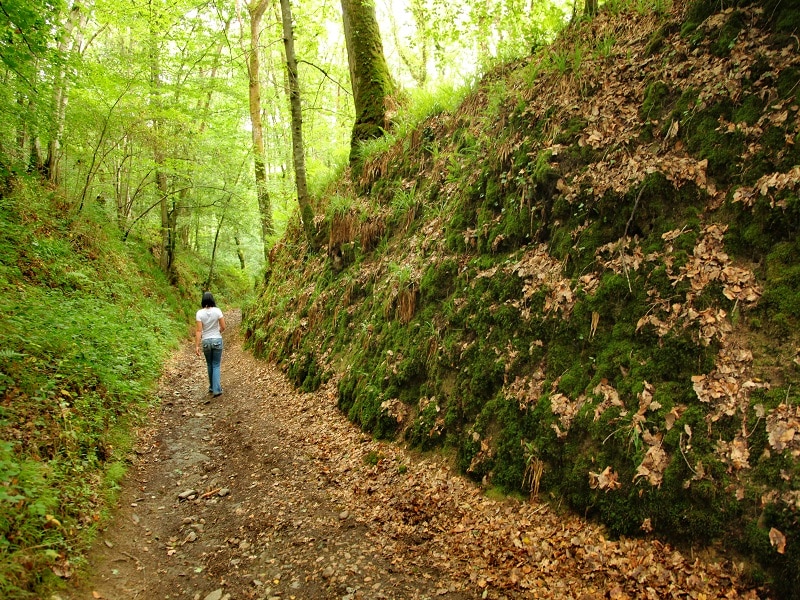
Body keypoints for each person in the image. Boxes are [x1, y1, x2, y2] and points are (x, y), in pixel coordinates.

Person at [195, 292, 226, 397]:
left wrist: (197, 346)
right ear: (212, 300)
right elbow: (223, 326)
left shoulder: (199, 313)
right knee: (216, 364)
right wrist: (218, 332)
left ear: (203, 301)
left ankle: (212, 387)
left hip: (206, 341)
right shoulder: (217, 311)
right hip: (217, 339)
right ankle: (217, 389)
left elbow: (199, 330)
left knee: (209, 364)